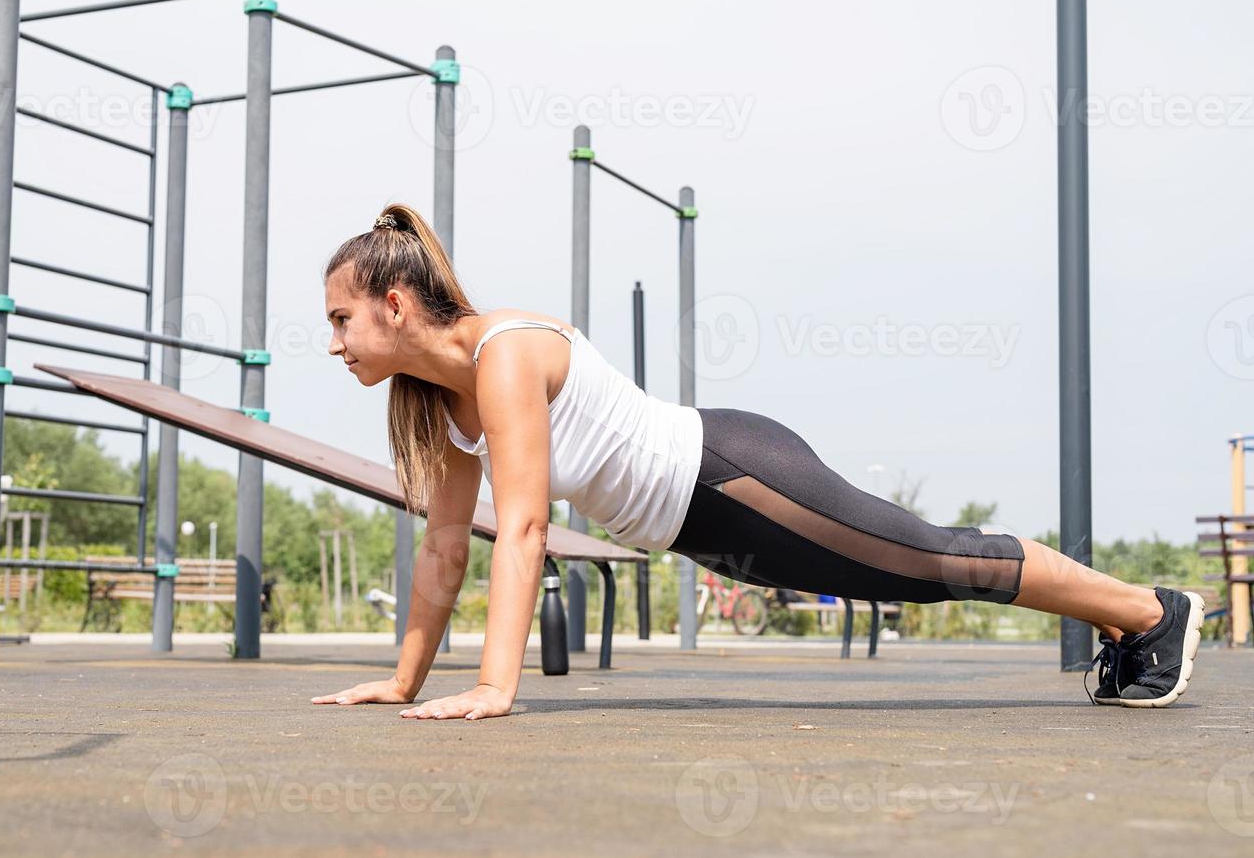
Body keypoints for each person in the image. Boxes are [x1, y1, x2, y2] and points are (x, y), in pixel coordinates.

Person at [311, 204, 1205, 720]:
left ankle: (1150, 612)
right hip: (703, 522)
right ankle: (1132, 623)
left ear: (393, 305)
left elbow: (527, 527)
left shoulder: (505, 353)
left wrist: (496, 688)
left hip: (732, 475)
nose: (335, 343)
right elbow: (443, 550)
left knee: (936, 560)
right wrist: (402, 681)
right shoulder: (439, 399)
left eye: (340, 321)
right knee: (920, 576)